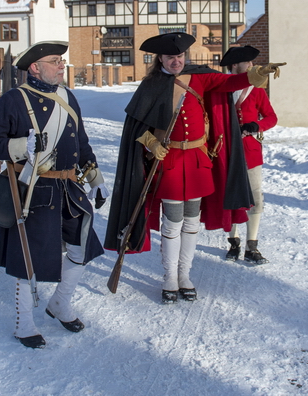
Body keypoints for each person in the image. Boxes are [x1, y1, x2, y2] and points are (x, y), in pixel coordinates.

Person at [104, 32, 278, 304]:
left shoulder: (199, 77)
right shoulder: (151, 85)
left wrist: (256, 75)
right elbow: (137, 127)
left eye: (180, 56)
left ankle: (185, 275)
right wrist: (150, 141)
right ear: (160, 58)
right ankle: (169, 277)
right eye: (171, 57)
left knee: (191, 222)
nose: (177, 61)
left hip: (198, 161)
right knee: (172, 223)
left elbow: (230, 82)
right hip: (170, 163)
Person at [0, 41, 109, 349]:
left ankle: (60, 304)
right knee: (29, 260)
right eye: (55, 61)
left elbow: (82, 144)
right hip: (35, 190)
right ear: (35, 67)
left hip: (69, 187)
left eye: (61, 60)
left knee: (80, 248)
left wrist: (95, 179)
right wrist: (20, 147)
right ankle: (24, 324)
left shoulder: (68, 97)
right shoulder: (14, 100)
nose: (62, 65)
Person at [219, 45, 278, 264]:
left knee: (255, 198)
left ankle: (252, 246)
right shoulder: (222, 88)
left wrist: (257, 125)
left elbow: (272, 117)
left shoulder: (258, 90)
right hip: (226, 152)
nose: (252, 66)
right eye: (248, 63)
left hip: (250, 152)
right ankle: (233, 242)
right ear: (235, 65)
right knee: (231, 197)